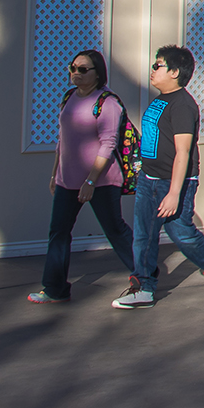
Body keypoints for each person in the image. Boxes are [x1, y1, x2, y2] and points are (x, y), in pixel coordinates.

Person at [113, 46, 204, 309]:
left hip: (174, 183)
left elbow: (183, 153)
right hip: (149, 180)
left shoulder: (183, 105)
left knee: (181, 233)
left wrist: (173, 193)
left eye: (157, 65)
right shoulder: (160, 100)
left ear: (174, 72)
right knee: (143, 235)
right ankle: (143, 287)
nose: (152, 70)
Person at [28, 50, 135, 304]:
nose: (75, 73)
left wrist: (90, 181)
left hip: (101, 181)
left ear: (98, 74)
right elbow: (62, 139)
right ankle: (55, 288)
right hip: (68, 180)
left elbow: (109, 144)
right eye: (73, 67)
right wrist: (55, 172)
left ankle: (146, 273)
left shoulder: (107, 103)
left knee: (115, 230)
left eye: (83, 69)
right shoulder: (69, 97)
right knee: (59, 232)